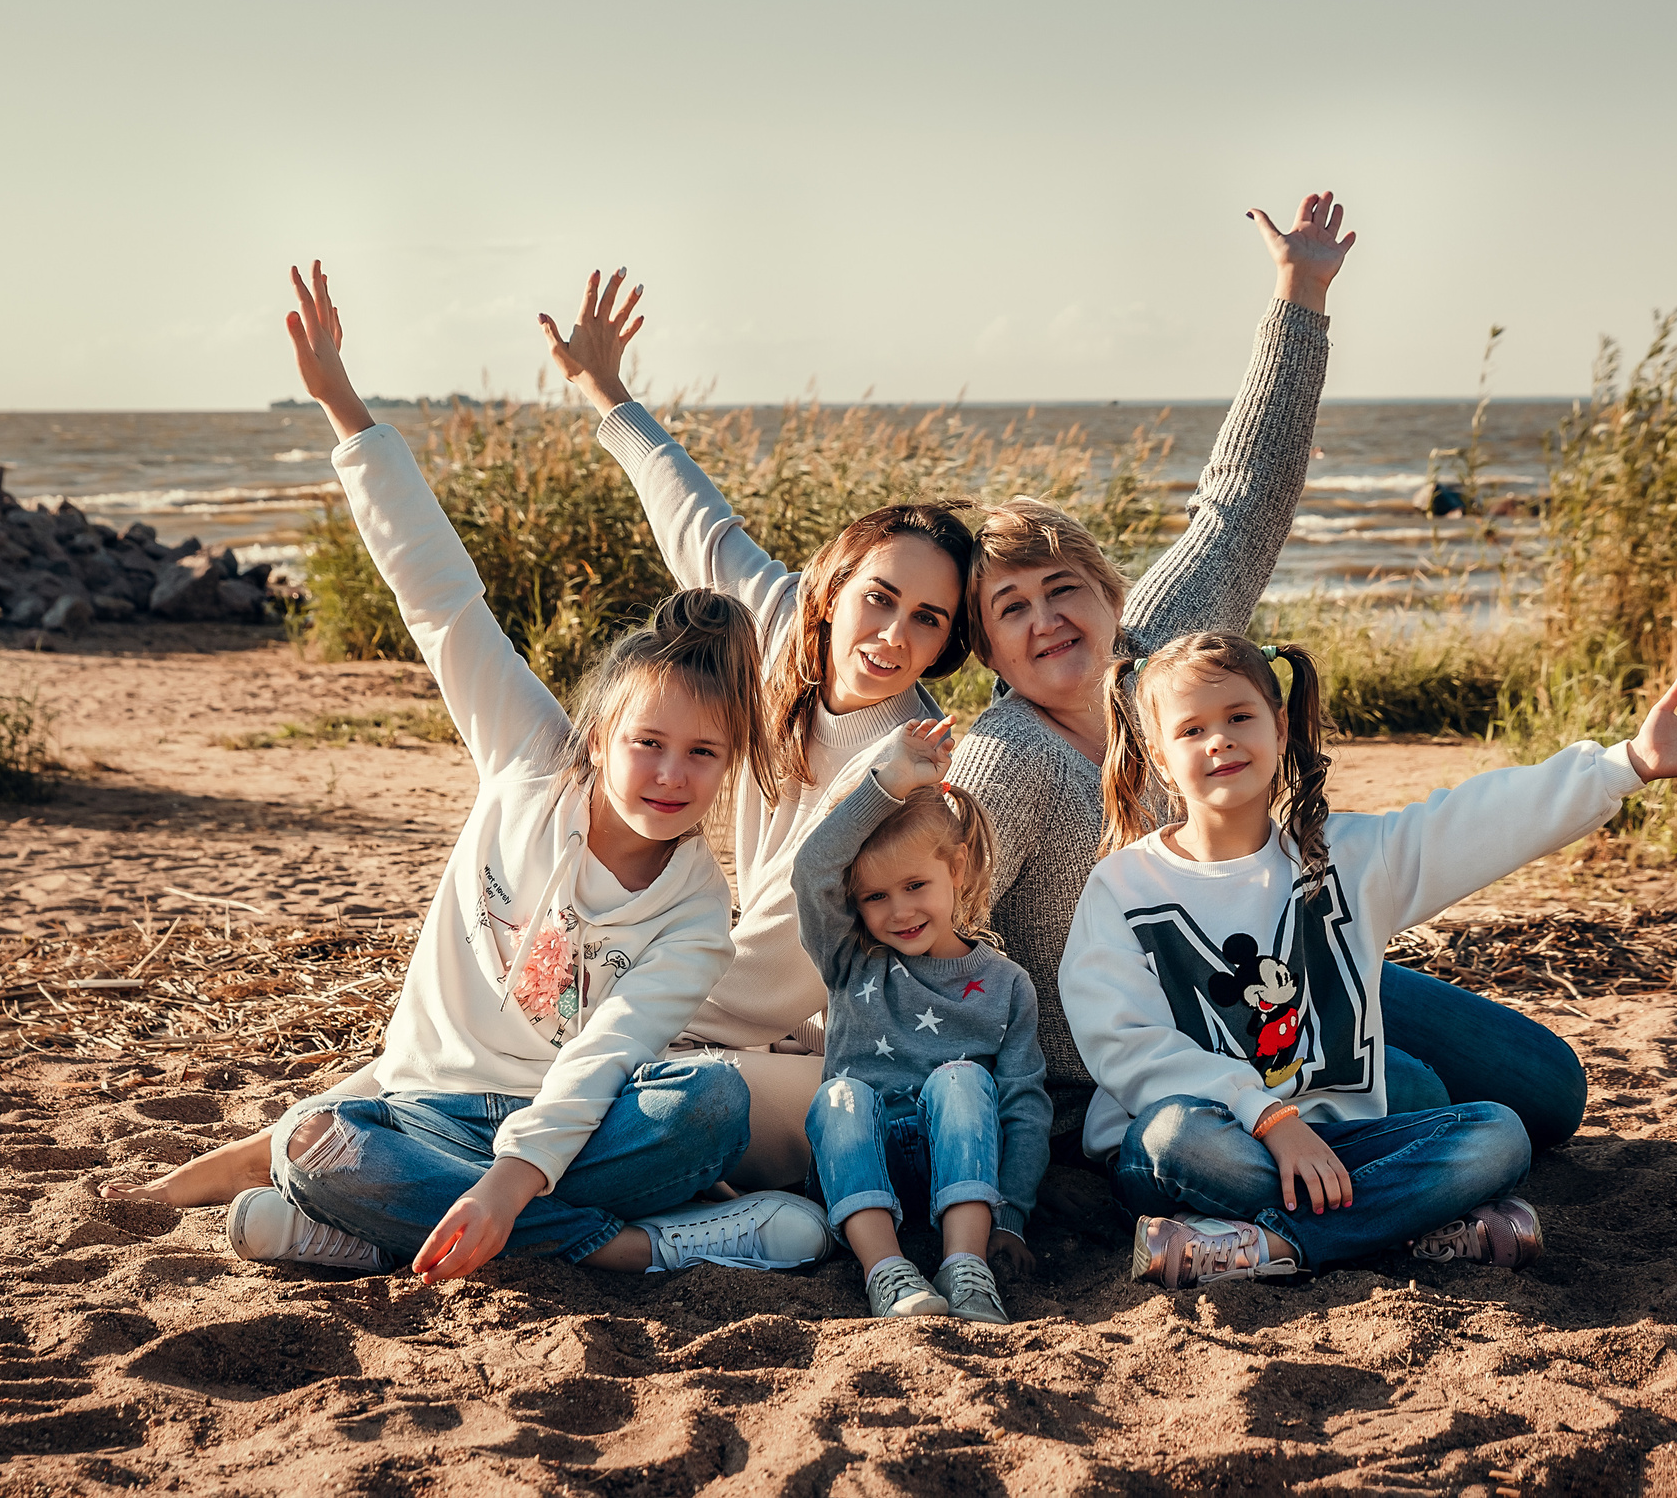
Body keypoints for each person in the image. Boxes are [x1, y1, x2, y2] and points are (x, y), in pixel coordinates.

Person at [101, 262, 835, 1283]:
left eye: (702, 754)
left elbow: (600, 1059)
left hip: (573, 1126)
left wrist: (510, 1179)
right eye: (647, 743)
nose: (669, 773)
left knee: (706, 1106)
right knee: (317, 1138)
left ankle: (357, 1235)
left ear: (730, 764)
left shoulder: (696, 913)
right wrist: (341, 404)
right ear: (601, 733)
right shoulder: (530, 762)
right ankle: (635, 1247)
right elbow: (440, 596)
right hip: (422, 1104)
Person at [943, 190, 1592, 1175]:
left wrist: (1300, 293)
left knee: (1550, 1085)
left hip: (1295, 973)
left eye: (1063, 589)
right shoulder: (1006, 759)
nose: (1048, 620)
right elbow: (946, 933)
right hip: (1166, 1060)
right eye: (1013, 608)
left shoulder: (1166, 654)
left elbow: (1239, 505)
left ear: (1109, 596)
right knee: (1412, 1092)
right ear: (986, 649)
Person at [1062, 632, 1677, 1287]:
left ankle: (1270, 1246)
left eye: (1240, 715)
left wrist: (1626, 763)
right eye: (1191, 729)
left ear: (1278, 723)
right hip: (1210, 1150)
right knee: (1177, 1135)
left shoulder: (1350, 857)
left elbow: (1477, 820)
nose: (1220, 739)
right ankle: (1405, 1224)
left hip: (1340, 1143)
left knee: (1497, 1135)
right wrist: (1268, 1117)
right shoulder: (1123, 888)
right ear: (1157, 752)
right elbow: (1128, 1047)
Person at [542, 270, 979, 1197]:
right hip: (708, 1000)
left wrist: (649, 1013)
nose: (896, 634)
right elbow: (690, 512)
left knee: (674, 1098)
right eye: (881, 598)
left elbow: (797, 942)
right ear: (835, 590)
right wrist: (605, 392)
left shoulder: (907, 754)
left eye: (930, 620)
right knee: (575, 1076)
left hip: (790, 1025)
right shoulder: (778, 619)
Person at [791, 717, 1049, 1321]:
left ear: (955, 870)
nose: (899, 910)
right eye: (875, 897)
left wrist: (1010, 1216)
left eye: (915, 884)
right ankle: (886, 1272)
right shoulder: (851, 961)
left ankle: (966, 1265)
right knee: (840, 1097)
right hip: (858, 1166)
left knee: (963, 1079)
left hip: (963, 1169)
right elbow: (811, 870)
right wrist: (887, 785)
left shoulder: (1006, 986)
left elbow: (1023, 1108)